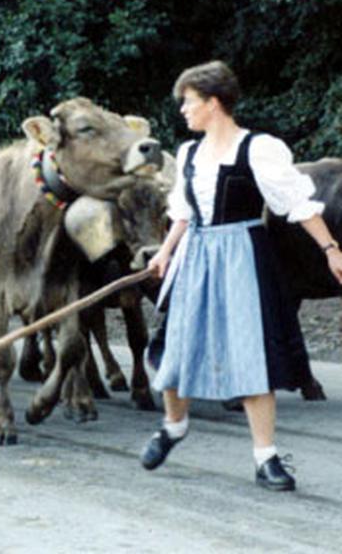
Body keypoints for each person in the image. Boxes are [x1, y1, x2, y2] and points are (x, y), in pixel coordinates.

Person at [140, 60, 342, 491]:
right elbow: (183, 212)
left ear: (213, 103)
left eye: (189, 102)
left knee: (251, 356)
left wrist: (330, 248)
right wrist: (165, 254)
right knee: (178, 348)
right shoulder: (189, 154)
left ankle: (265, 458)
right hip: (196, 254)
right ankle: (174, 426)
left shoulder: (259, 149)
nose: (183, 111)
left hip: (242, 256)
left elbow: (298, 204)